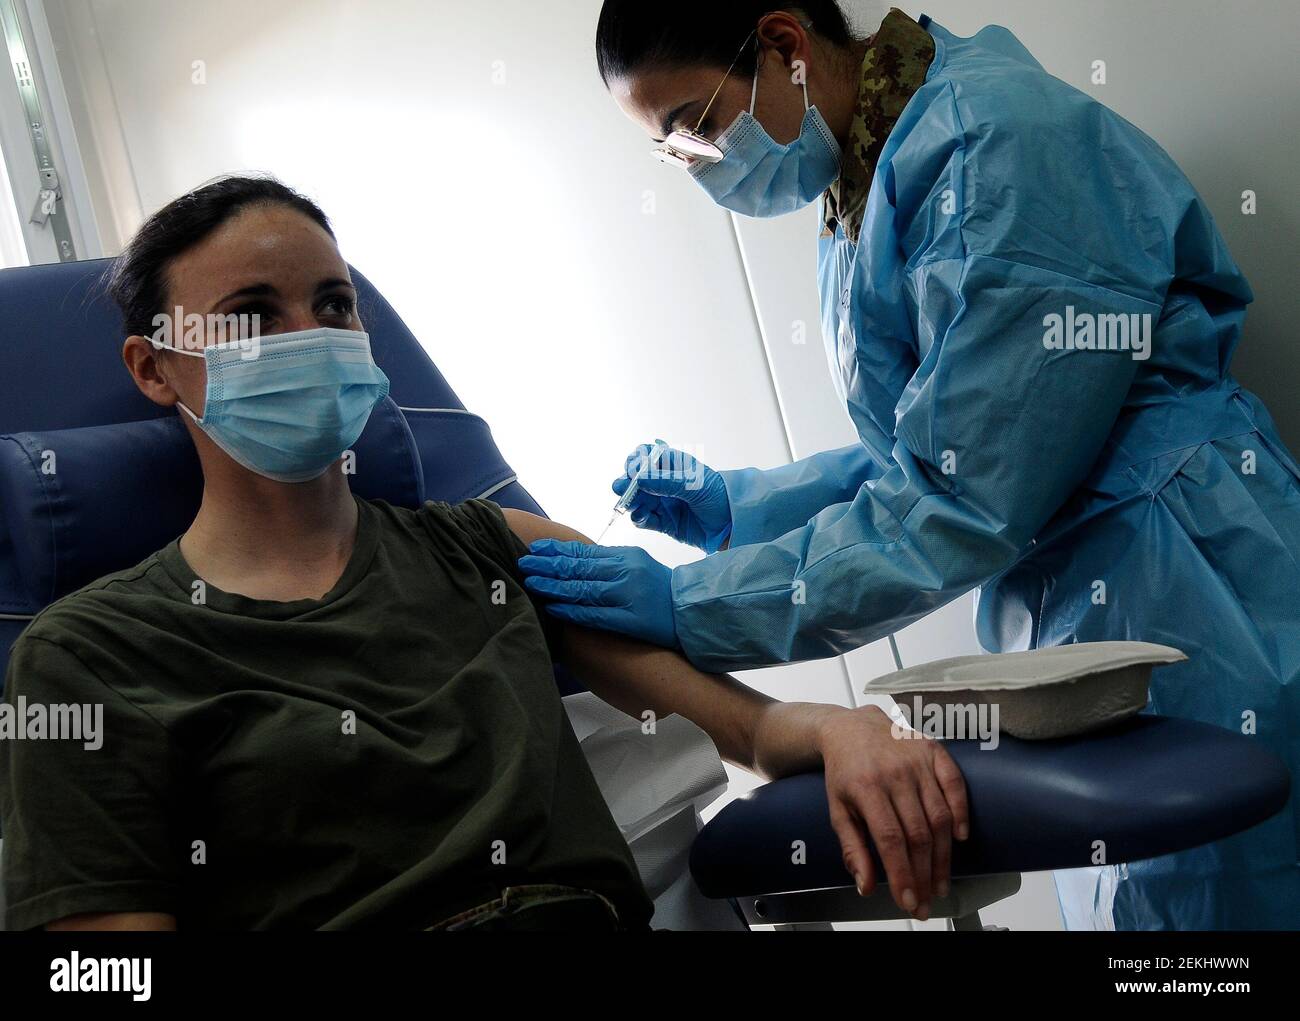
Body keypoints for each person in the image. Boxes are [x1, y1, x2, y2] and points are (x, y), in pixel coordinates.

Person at [0, 174, 969, 931]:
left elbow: (751, 730)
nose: (311, 338)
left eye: (334, 306)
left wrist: (843, 730)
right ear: (154, 367)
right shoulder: (89, 654)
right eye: (253, 314)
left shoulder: (488, 552)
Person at [517, 3, 1300, 930]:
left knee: (1229, 919)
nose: (699, 167)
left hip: (1190, 583)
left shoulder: (996, 151)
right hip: (1086, 588)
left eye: (696, 125)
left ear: (783, 45)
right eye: (673, 152)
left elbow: (963, 495)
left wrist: (695, 606)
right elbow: (934, 440)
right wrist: (741, 507)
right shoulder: (869, 180)